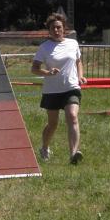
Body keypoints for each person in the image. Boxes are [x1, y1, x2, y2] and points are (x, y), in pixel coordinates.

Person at [31, 13, 86, 164]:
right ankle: (44, 147)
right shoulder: (44, 47)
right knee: (53, 124)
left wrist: (80, 76)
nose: (56, 30)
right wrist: (47, 73)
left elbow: (78, 61)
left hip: (71, 87)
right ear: (49, 30)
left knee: (72, 116)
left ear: (64, 28)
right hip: (52, 90)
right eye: (53, 28)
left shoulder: (72, 44)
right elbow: (34, 69)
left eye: (59, 27)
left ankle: (73, 154)